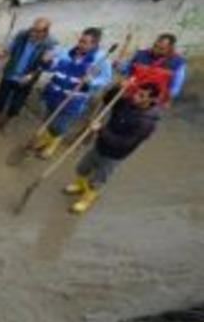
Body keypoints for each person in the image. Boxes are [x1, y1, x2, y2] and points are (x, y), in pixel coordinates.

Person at [63, 82, 160, 214]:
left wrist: (101, 130)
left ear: (151, 100)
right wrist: (118, 87)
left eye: (142, 95)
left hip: (115, 154)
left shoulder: (146, 123)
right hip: (100, 144)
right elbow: (108, 99)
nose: (136, 96)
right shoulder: (126, 103)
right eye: (137, 92)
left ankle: (87, 199)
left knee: (97, 179)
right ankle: (80, 185)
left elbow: (124, 143)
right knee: (82, 168)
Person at [35, 27, 112, 159]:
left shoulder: (101, 60)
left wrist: (91, 81)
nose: (80, 44)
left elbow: (105, 79)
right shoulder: (67, 52)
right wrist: (46, 61)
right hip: (53, 93)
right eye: (80, 40)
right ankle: (46, 139)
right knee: (48, 119)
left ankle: (52, 145)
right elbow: (53, 67)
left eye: (85, 42)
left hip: (73, 99)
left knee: (59, 125)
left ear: (94, 44)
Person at [0, 17, 57, 132]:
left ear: (45, 32)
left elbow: (45, 67)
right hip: (11, 73)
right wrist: (2, 53)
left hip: (27, 78)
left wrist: (44, 63)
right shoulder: (22, 36)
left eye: (38, 31)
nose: (33, 33)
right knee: (0, 99)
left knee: (16, 104)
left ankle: (4, 124)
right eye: (33, 29)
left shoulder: (50, 45)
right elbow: (10, 48)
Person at [117, 33, 186, 104]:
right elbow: (126, 70)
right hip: (132, 94)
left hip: (154, 100)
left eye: (161, 49)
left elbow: (175, 87)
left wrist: (157, 99)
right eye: (155, 46)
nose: (156, 50)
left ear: (170, 49)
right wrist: (119, 65)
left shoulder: (177, 62)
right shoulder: (140, 54)